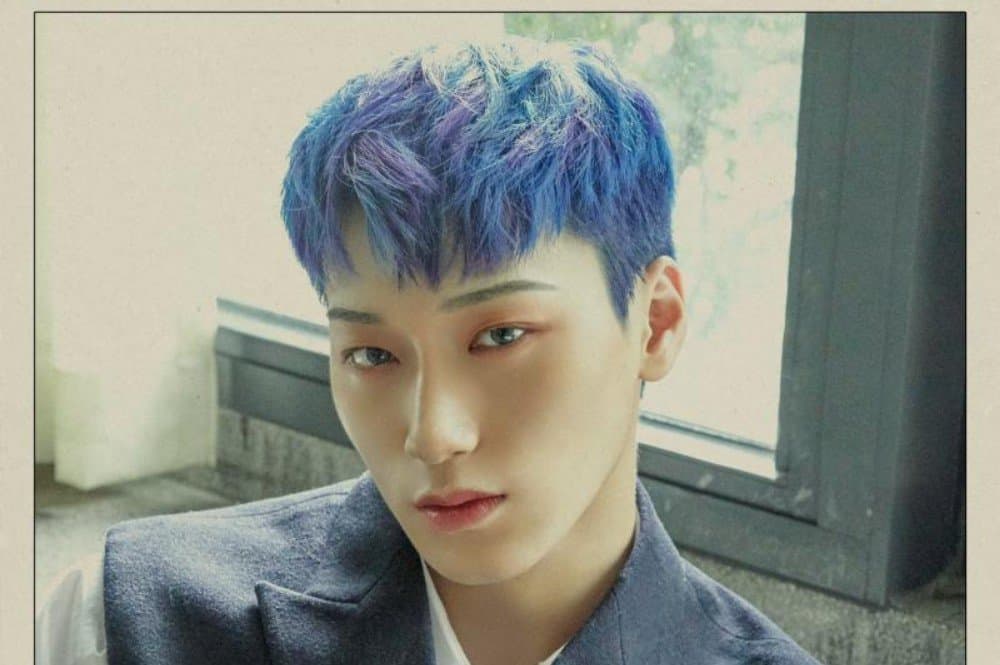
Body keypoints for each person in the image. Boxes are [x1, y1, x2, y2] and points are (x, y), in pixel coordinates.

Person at [36, 37, 821, 665]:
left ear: (655, 323)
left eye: (501, 336)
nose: (433, 434)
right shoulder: (115, 625)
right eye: (372, 354)